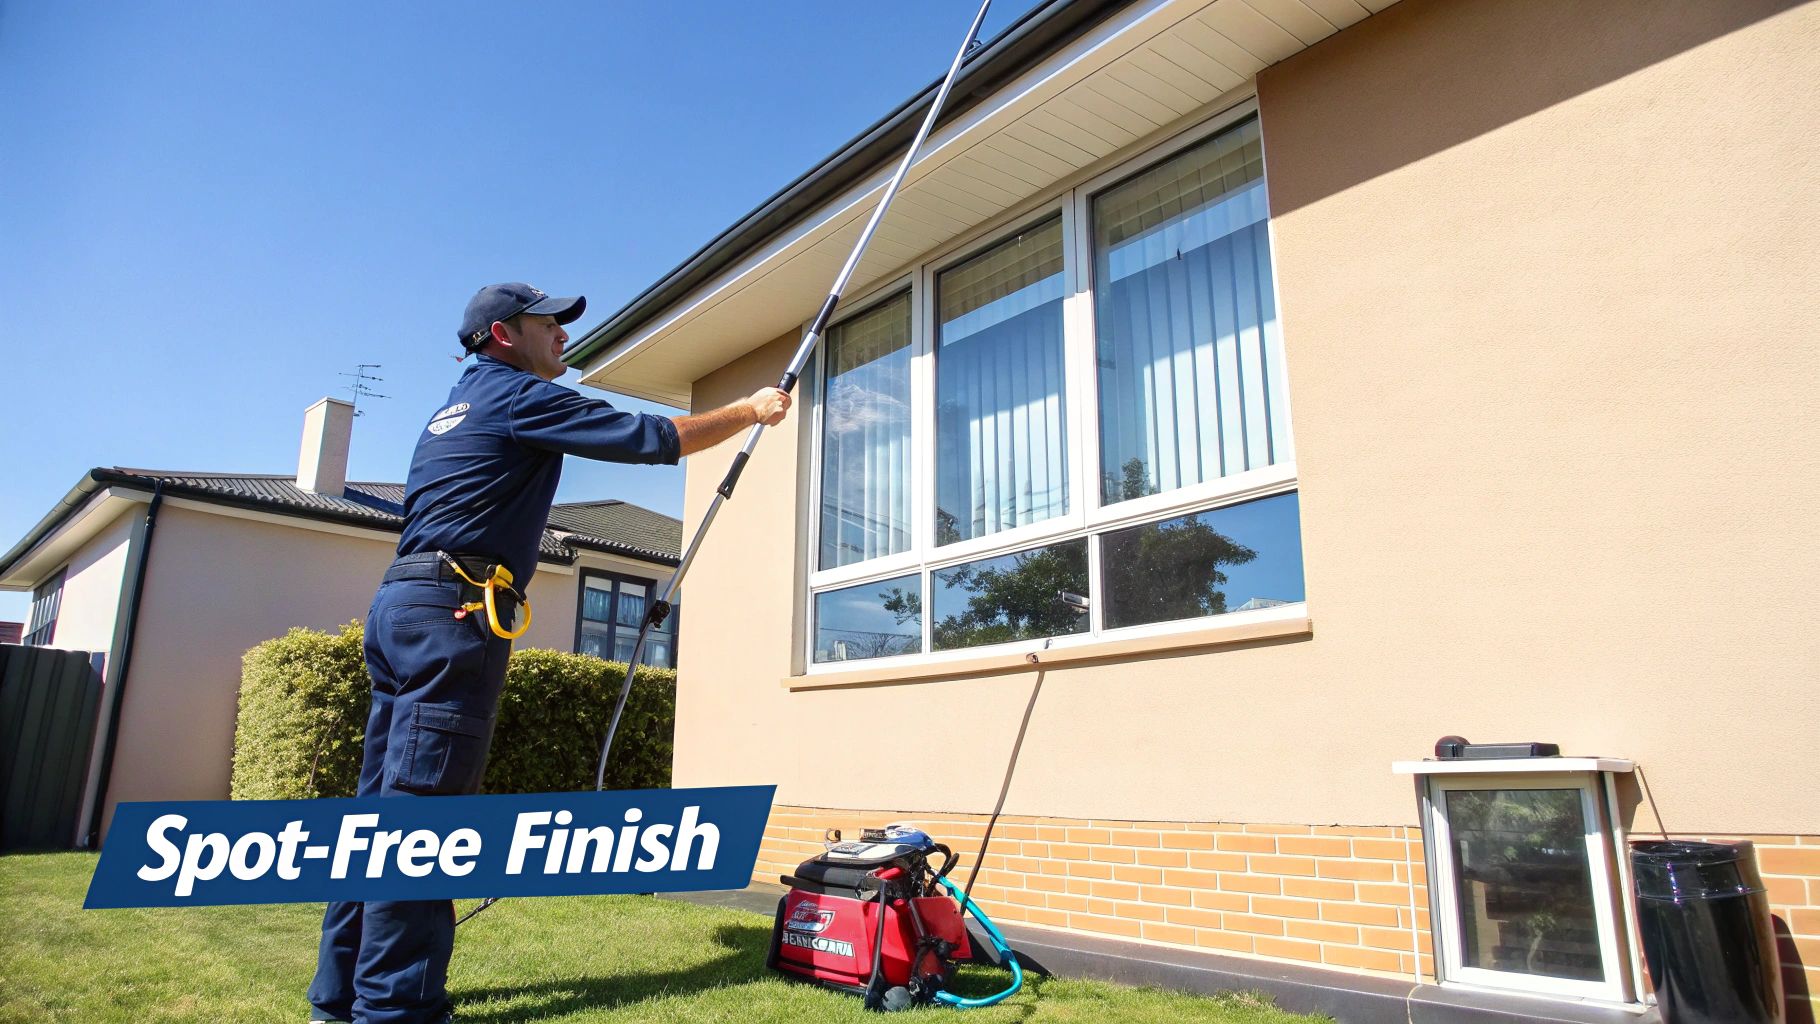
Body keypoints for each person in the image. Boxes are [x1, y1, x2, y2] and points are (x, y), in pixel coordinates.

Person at [307, 282, 790, 1024]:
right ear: (505, 334)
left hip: (402, 606)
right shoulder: (513, 396)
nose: (562, 334)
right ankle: (394, 1011)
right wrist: (749, 411)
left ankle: (338, 999)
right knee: (421, 827)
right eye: (549, 323)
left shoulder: (454, 407)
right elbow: (652, 439)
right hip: (453, 614)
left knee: (377, 813)